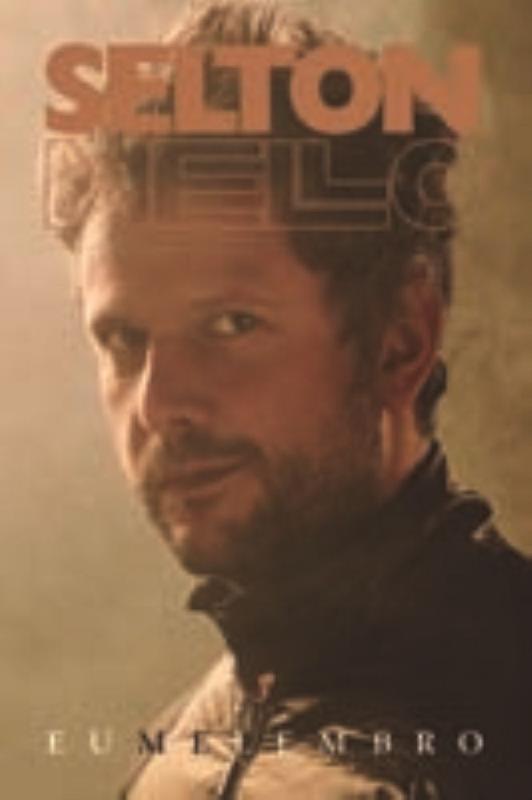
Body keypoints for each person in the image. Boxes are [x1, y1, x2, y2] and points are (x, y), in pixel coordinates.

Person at [44, 1, 532, 797]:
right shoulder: (178, 752)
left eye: (230, 325)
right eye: (124, 340)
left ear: (400, 339)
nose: (159, 405)